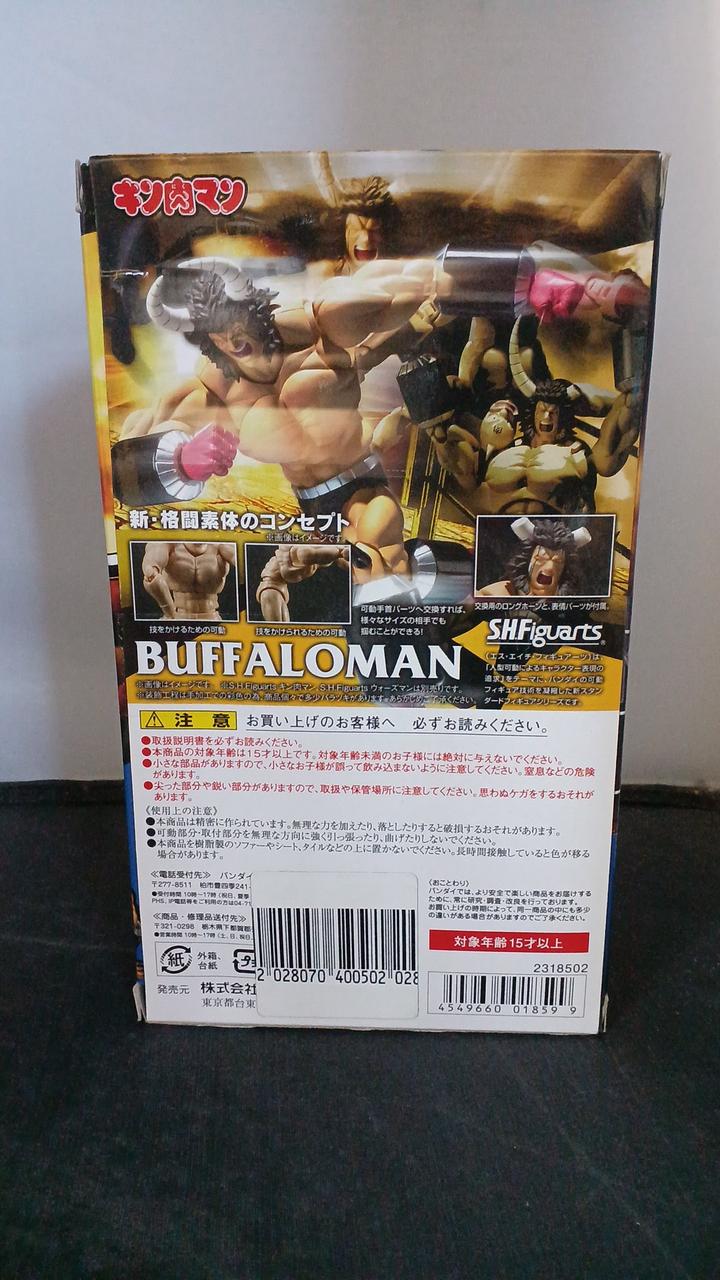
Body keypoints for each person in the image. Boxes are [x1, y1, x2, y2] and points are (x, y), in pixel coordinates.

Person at [140, 541, 236, 620]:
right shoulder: (166, 544)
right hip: (177, 616)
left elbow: (243, 559)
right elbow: (150, 574)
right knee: (151, 575)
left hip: (212, 617)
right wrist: (169, 613)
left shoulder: (223, 545)